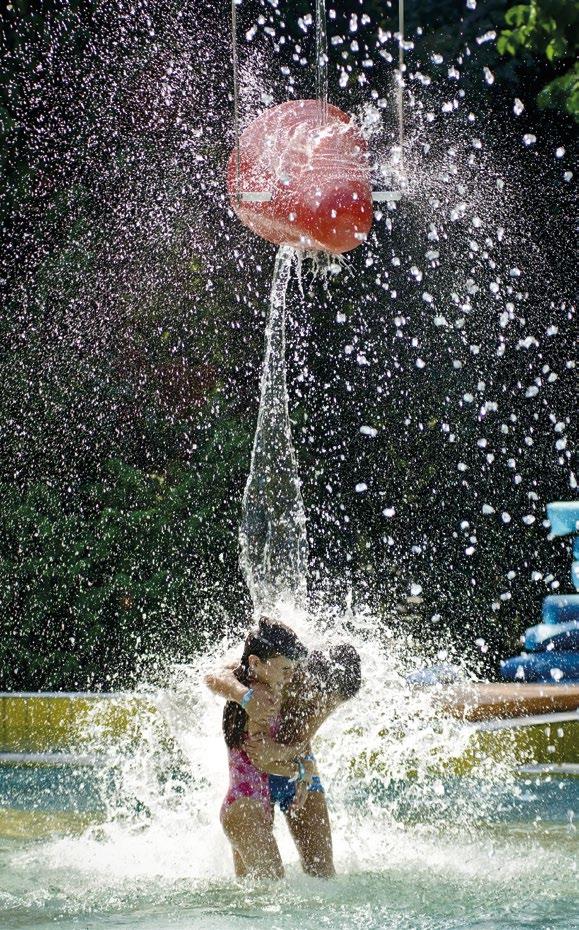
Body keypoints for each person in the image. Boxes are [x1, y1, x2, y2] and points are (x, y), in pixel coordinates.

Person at [204, 617, 361, 880]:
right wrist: (244, 697)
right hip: (257, 781)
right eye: (322, 700)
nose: (322, 710)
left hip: (291, 772)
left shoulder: (320, 688)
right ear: (313, 679)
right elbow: (215, 675)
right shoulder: (277, 676)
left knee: (323, 874)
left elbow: (295, 744)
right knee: (263, 887)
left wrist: (301, 768)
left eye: (332, 705)